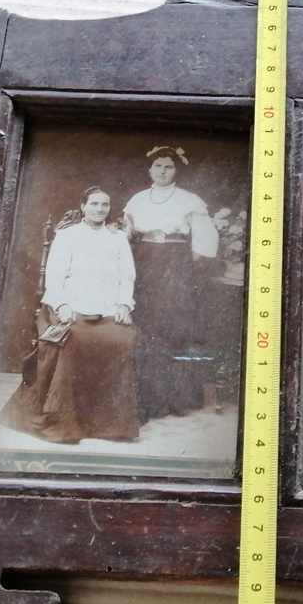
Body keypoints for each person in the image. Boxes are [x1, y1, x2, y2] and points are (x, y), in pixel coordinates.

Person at [0, 186, 139, 443]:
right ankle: (64, 420)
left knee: (122, 340)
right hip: (68, 304)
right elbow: (54, 276)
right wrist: (62, 305)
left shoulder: (117, 238)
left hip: (107, 306)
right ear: (83, 206)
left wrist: (123, 305)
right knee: (73, 339)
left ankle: (108, 424)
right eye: (94, 204)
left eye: (104, 205)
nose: (99, 209)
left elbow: (127, 276)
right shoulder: (67, 236)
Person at [123, 146, 219, 421]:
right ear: (149, 169)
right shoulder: (137, 200)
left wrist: (182, 269)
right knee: (145, 324)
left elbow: (204, 243)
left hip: (175, 266)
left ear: (177, 171)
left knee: (173, 325)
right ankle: (146, 395)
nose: (162, 171)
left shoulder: (189, 200)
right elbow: (126, 235)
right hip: (143, 262)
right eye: (157, 166)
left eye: (168, 167)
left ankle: (176, 398)